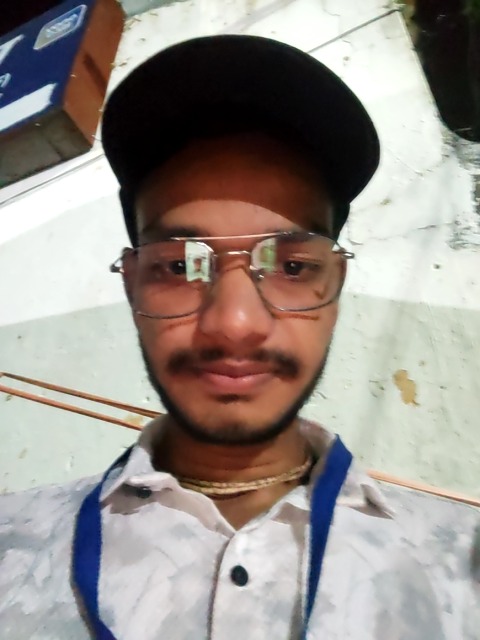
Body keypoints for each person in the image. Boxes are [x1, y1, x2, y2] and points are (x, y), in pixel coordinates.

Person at [0, 35, 478, 640]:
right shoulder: (13, 547)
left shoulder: (461, 565)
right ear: (132, 286)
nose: (234, 324)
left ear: (335, 288)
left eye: (292, 266)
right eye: (179, 266)